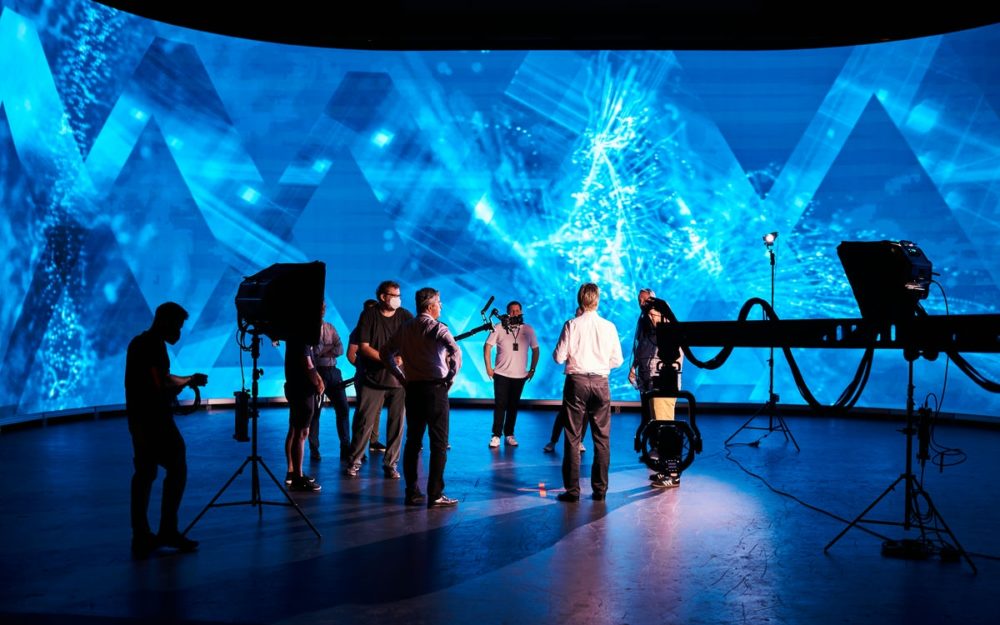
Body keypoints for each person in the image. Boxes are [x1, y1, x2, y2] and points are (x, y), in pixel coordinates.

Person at [125, 301, 208, 557]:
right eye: (178, 326)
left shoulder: (146, 344)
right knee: (172, 468)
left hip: (143, 419)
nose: (180, 332)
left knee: (146, 473)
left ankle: (143, 534)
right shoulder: (149, 346)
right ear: (166, 322)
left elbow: (162, 379)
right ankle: (164, 530)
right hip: (153, 421)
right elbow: (160, 383)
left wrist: (185, 381)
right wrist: (188, 381)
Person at [381, 287, 462, 508]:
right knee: (438, 444)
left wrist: (400, 376)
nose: (441, 306)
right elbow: (455, 351)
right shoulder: (437, 328)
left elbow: (384, 353)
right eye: (439, 302)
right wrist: (451, 376)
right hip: (436, 390)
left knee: (413, 442)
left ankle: (411, 492)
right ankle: (435, 494)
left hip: (413, 389)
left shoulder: (405, 328)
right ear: (430, 306)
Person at [553, 283, 624, 502]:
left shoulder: (572, 325)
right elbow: (618, 360)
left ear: (579, 300)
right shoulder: (609, 326)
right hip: (601, 383)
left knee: (573, 438)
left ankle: (573, 491)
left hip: (577, 382)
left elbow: (558, 357)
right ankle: (600, 490)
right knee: (602, 439)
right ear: (597, 300)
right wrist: (600, 365)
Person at [344, 281, 413, 479]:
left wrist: (403, 358)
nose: (398, 299)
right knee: (364, 422)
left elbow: (414, 341)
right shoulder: (369, 315)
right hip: (372, 379)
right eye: (394, 295)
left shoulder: (405, 316)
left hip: (399, 381)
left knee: (397, 423)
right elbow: (363, 347)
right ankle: (354, 461)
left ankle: (391, 464)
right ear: (383, 296)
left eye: (400, 295)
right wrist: (388, 359)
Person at [629, 293, 683, 488]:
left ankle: (673, 474)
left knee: (667, 429)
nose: (648, 315)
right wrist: (635, 369)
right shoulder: (649, 332)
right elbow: (642, 351)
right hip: (651, 385)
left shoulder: (668, 333)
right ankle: (664, 470)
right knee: (660, 429)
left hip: (664, 386)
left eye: (652, 313)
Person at [484, 301, 539, 448]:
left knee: (513, 406)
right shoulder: (499, 327)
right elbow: (487, 346)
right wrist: (489, 368)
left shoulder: (528, 329)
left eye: (517, 310)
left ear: (521, 312)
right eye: (512, 311)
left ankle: (509, 434)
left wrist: (532, 369)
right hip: (501, 374)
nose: (515, 313)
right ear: (507, 312)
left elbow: (535, 350)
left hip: (520, 375)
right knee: (500, 405)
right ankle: (496, 435)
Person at [283, 322, 324, 493]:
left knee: (295, 430)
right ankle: (298, 477)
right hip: (302, 390)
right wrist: (318, 383)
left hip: (296, 387)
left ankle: (294, 473)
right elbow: (308, 365)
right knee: (301, 433)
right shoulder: (303, 338)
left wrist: (318, 378)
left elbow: (311, 364)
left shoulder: (295, 335)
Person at [309, 301, 351, 461]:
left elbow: (339, 349)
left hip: (333, 372)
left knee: (343, 409)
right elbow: (313, 354)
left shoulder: (330, 327)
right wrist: (328, 349)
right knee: (315, 413)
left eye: (324, 308)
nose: (323, 310)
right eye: (320, 307)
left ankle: (345, 447)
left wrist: (323, 350)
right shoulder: (309, 330)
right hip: (317, 372)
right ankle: (314, 449)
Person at [543, 306, 587, 453]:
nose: (576, 315)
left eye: (578, 313)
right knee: (564, 411)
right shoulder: (571, 327)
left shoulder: (592, 328)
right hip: (575, 375)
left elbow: (559, 357)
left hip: (587, 376)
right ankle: (553, 441)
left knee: (585, 413)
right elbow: (559, 356)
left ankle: (579, 441)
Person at [347, 299, 385, 457]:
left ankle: (373, 441)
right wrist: (363, 368)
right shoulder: (358, 331)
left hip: (379, 376)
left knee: (376, 411)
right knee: (363, 412)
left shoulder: (380, 329)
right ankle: (357, 447)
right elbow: (350, 355)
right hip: (365, 377)